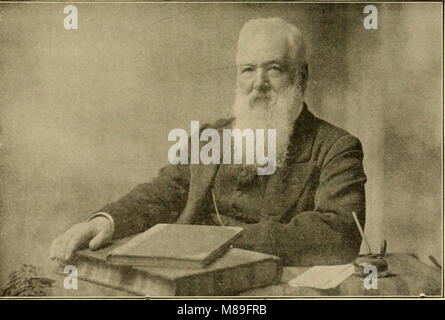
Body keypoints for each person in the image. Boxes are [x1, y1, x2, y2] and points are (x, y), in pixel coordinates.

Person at [50, 17, 367, 267]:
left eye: (274, 69)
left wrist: (219, 239)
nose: (259, 84)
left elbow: (338, 234)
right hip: (190, 277)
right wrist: (107, 221)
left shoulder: (336, 147)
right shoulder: (209, 138)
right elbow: (162, 193)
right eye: (247, 70)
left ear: (302, 77)